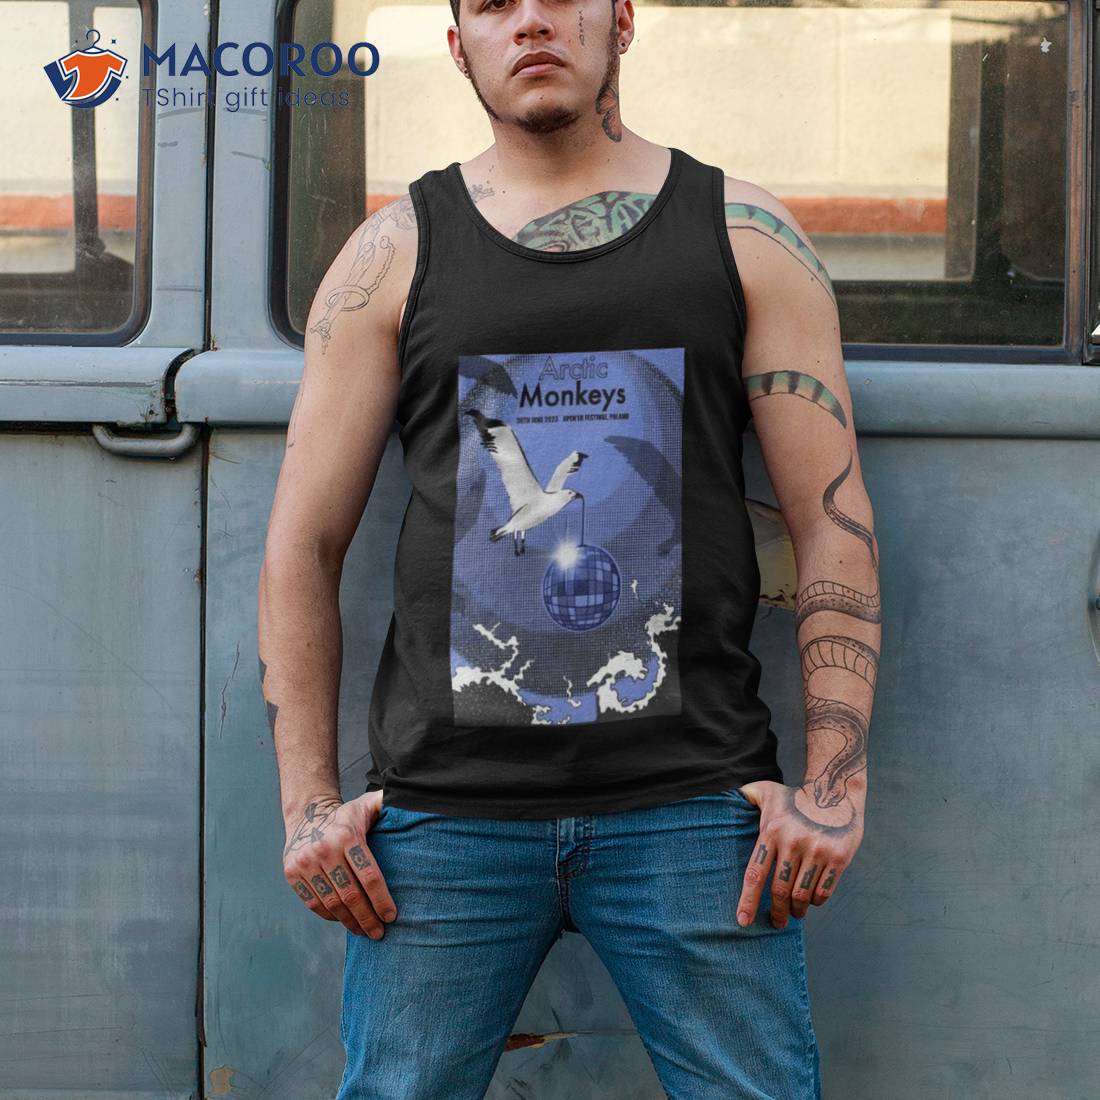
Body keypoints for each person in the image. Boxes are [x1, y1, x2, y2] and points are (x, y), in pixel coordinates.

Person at [256, 0, 880, 1094]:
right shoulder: (393, 253)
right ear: (459, 45)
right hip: (444, 816)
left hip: (693, 803)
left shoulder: (744, 235)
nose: (530, 21)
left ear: (620, 19)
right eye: (492, 4)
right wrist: (308, 806)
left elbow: (830, 517)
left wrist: (833, 786)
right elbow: (302, 543)